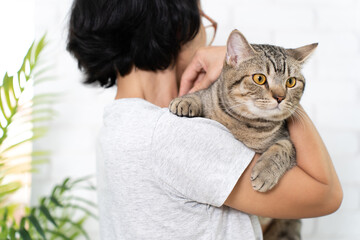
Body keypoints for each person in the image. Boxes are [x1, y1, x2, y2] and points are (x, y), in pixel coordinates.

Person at [67, 0, 343, 239]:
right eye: (202, 20)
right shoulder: (174, 135)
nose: (209, 35)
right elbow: (326, 195)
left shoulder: (119, 125)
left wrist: (275, 77)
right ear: (177, 27)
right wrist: (285, 92)